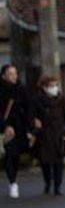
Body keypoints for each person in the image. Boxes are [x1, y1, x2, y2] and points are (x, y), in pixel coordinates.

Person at [31, 75, 65, 196]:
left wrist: (64, 128)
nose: (54, 88)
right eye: (51, 86)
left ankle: (57, 187)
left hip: (58, 133)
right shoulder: (37, 100)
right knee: (45, 162)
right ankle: (48, 182)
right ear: (44, 87)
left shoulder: (61, 99)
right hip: (44, 134)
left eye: (55, 85)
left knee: (59, 161)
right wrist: (34, 121)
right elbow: (31, 114)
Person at [1, 64, 30, 199]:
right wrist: (5, 125)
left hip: (19, 126)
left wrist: (32, 123)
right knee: (10, 154)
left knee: (17, 155)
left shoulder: (20, 89)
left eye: (15, 73)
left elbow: (28, 106)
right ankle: (13, 183)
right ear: (4, 75)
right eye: (10, 73)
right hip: (6, 127)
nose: (14, 76)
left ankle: (14, 179)